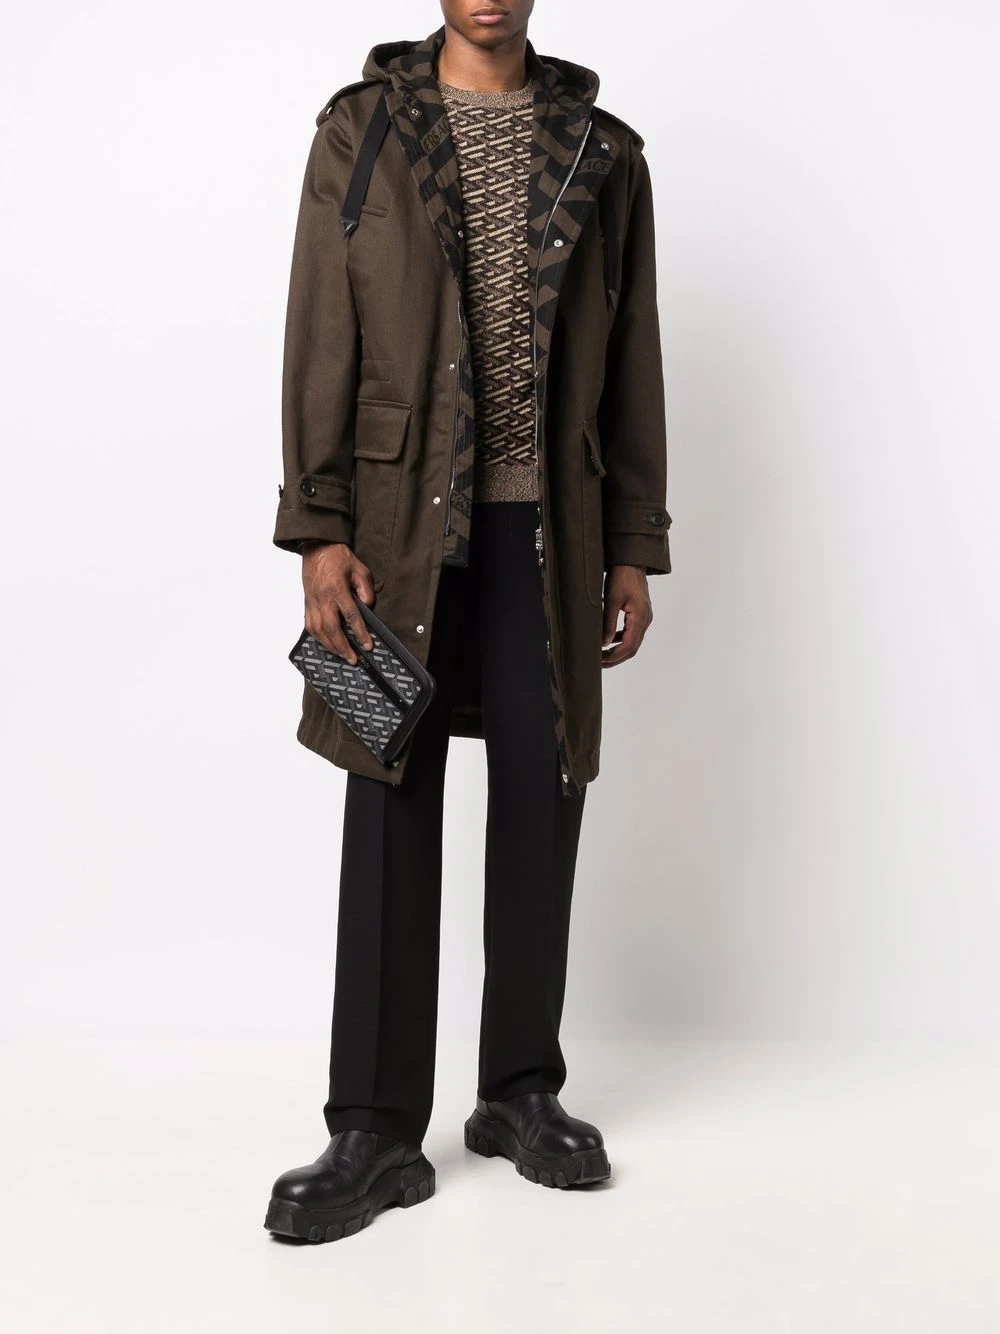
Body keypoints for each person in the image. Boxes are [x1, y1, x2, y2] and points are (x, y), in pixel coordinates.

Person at [265, 0, 671, 1244]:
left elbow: (631, 351)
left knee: (544, 795)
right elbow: (320, 326)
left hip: (550, 527)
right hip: (392, 529)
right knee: (386, 794)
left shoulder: (605, 148)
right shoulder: (361, 130)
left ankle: (519, 1089)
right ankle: (373, 1127)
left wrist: (632, 539)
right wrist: (317, 524)